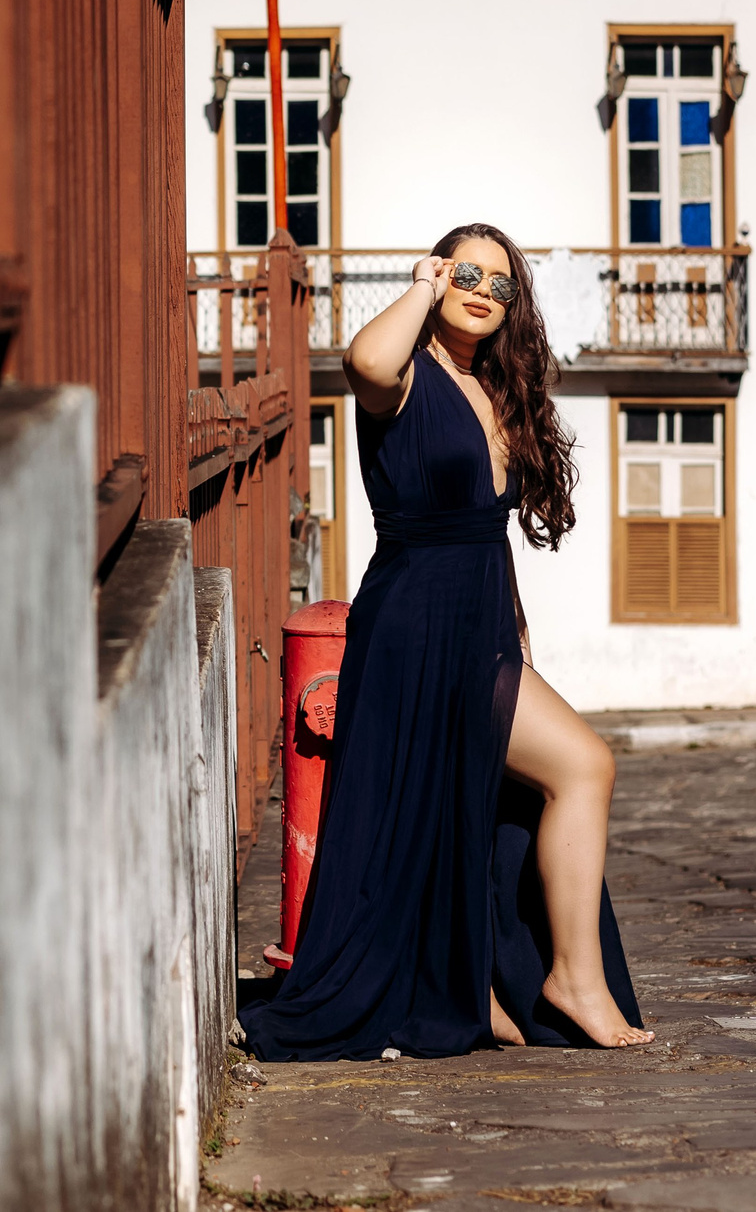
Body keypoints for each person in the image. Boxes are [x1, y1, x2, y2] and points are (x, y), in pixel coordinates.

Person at [241, 222, 653, 1059]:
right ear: (438, 272)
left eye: (500, 284)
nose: (483, 291)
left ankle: (490, 990)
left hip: (480, 627)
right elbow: (362, 360)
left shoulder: (493, 390)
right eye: (468, 272)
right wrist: (422, 287)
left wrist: (519, 641)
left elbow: (487, 534)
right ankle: (566, 978)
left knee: (498, 797)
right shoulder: (405, 377)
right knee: (578, 766)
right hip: (412, 625)